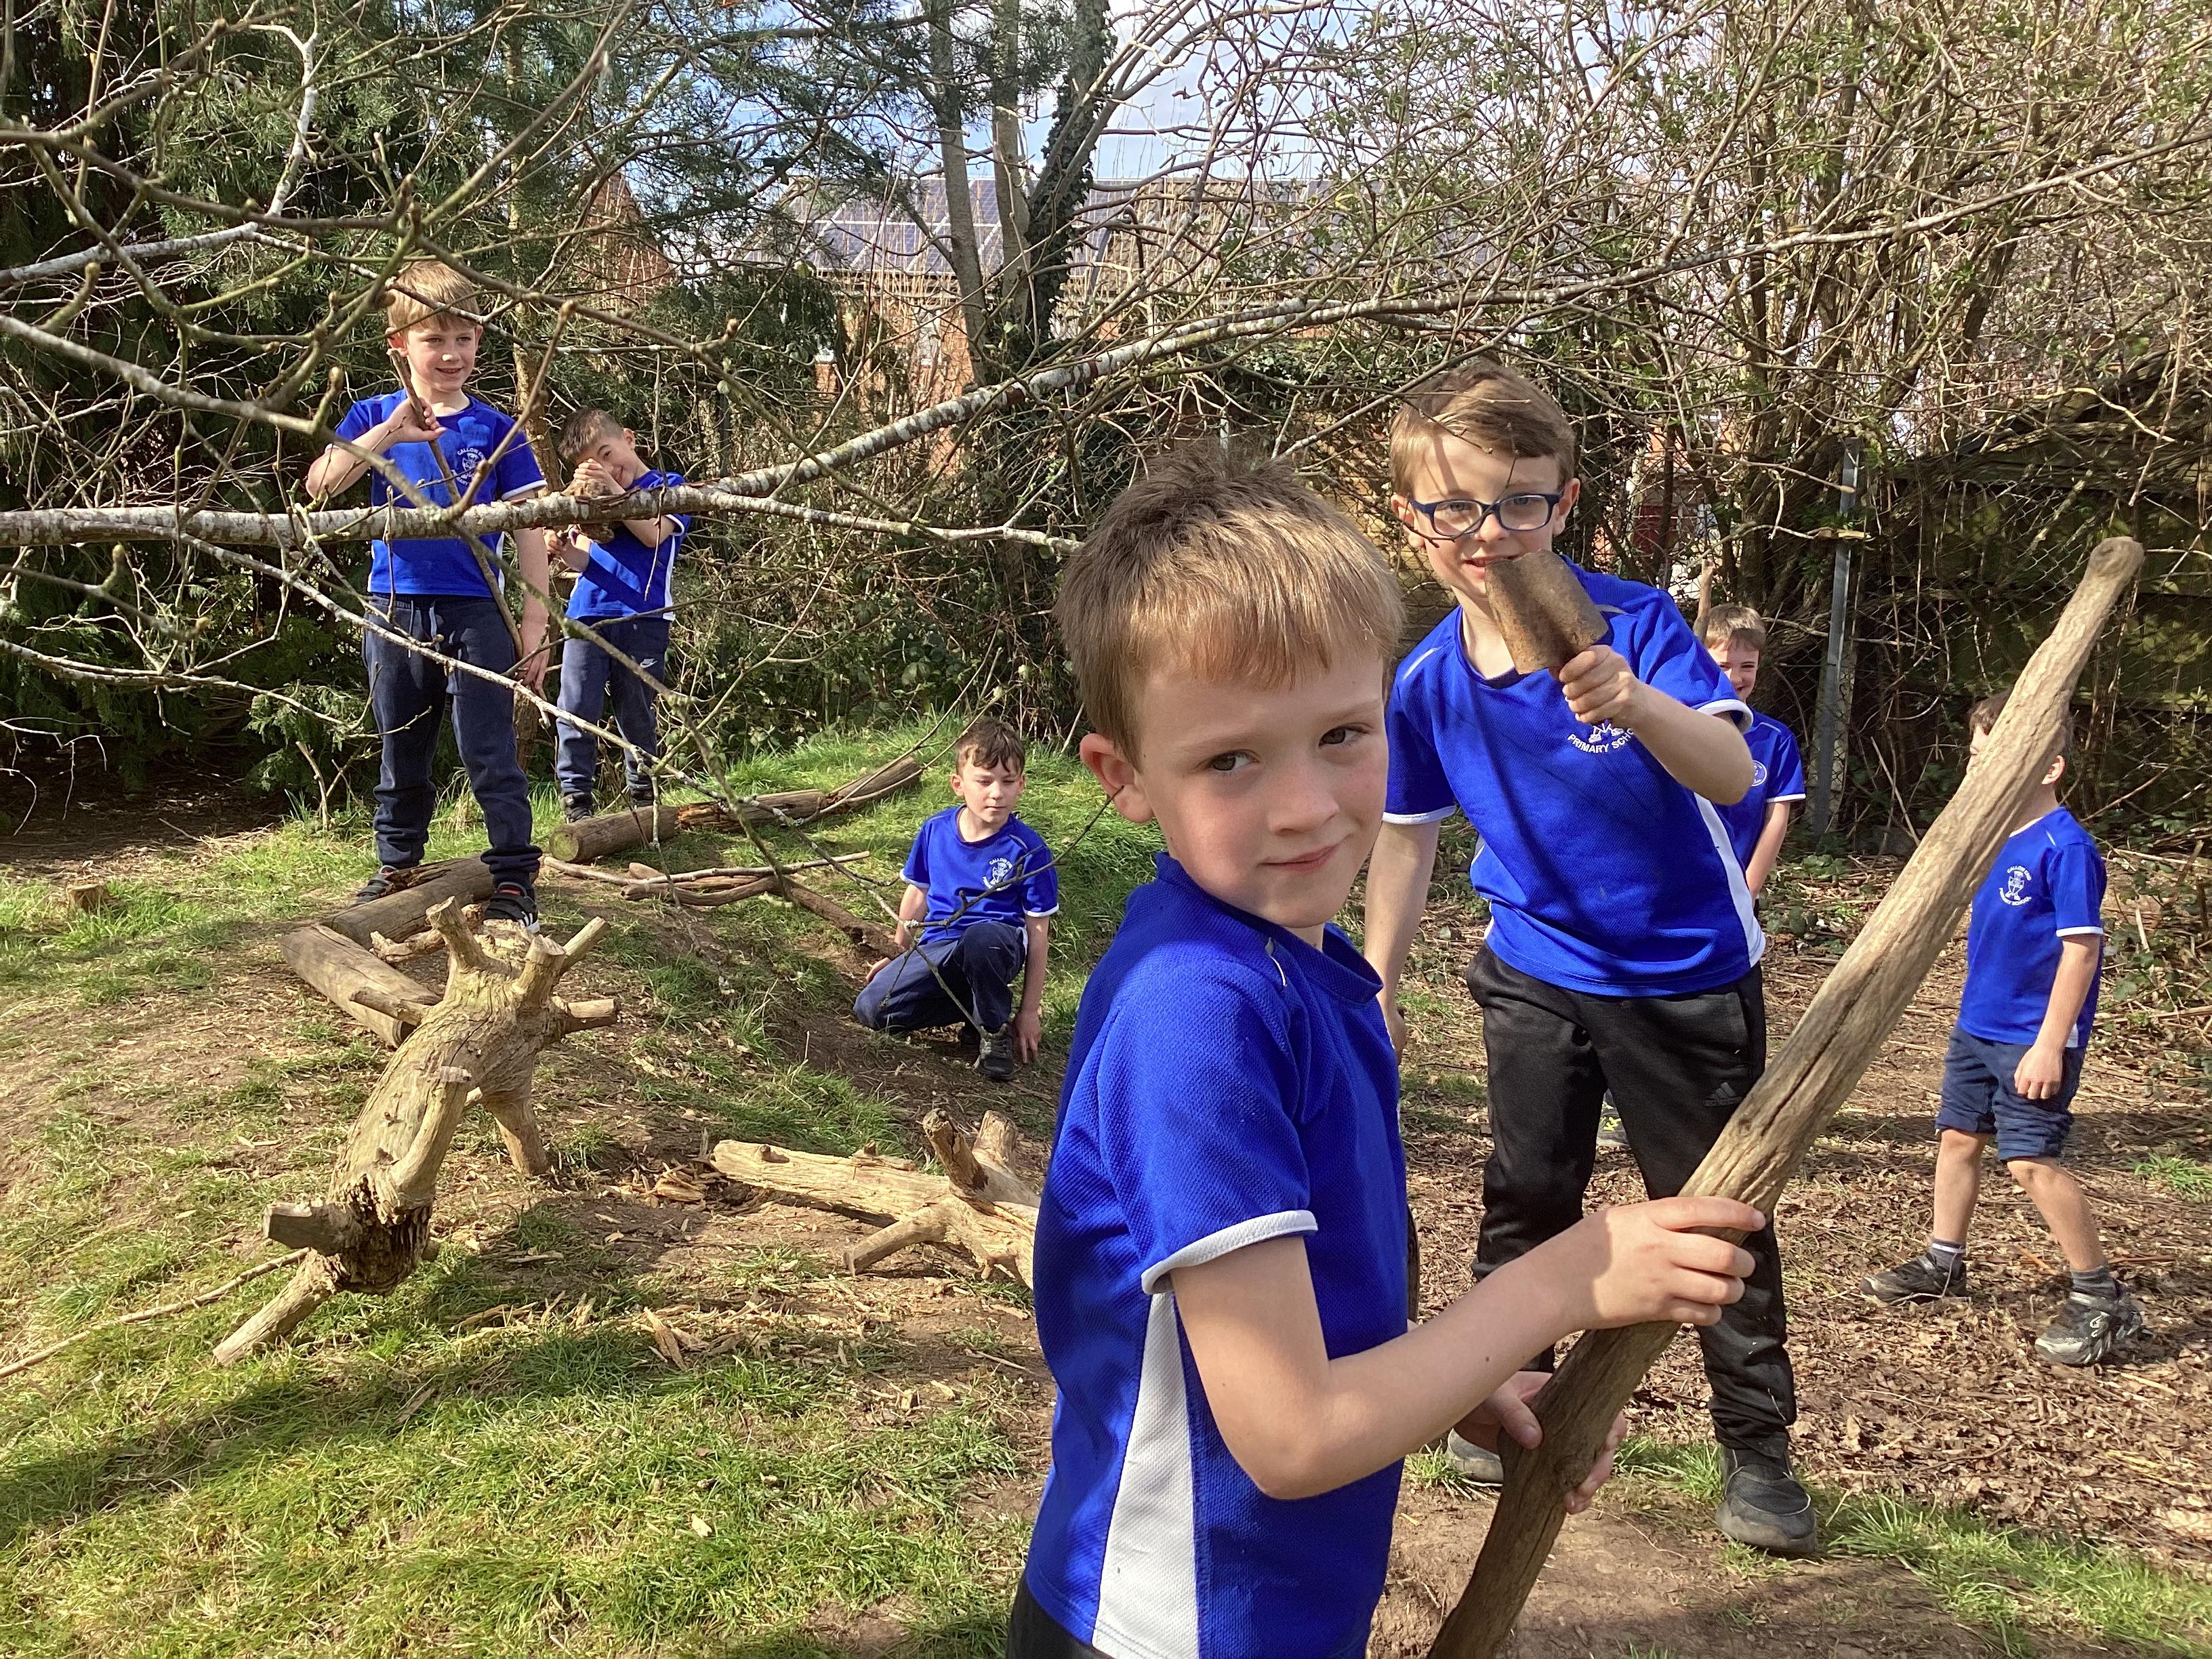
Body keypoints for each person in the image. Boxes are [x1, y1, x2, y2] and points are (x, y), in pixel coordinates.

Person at [1010, 441, 1763, 1659]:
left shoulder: (1301, 968)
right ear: (1123, 774)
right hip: (1176, 1625)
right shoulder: (1196, 1012)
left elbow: (1315, 1313)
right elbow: (1292, 1432)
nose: (1307, 806)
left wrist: (1456, 1379)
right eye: (1230, 759)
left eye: (1342, 735)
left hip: (1279, 1608)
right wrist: (1563, 1280)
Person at [1360, 362, 1818, 1556]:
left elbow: (1734, 774)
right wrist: (1379, 978)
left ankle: (1757, 1449)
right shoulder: (1426, 683)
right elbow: (1405, 836)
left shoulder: (1636, 626)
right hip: (1531, 969)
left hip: (1681, 974)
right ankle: (1504, 1400)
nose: (1488, 533)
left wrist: (1635, 703)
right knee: (1525, 1192)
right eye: (1454, 507)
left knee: (1711, 1214)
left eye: (1519, 502)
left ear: (1562, 503)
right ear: (1410, 519)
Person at [1862, 694, 2144, 1365]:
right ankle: (1943, 1262)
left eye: (1997, 757)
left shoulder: (2065, 848)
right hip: (1977, 1027)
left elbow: (2082, 952)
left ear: (2048, 767)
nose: (1979, 769)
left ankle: (2102, 1296)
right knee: (1958, 1139)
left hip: (2031, 1038)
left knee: (2028, 1161)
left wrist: (2049, 1044)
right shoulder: (1997, 839)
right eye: (1975, 756)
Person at [305, 260, 551, 928]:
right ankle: (398, 866)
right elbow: (322, 484)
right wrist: (392, 431)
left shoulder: (497, 430)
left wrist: (535, 623)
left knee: (489, 752)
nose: (451, 354)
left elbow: (530, 529)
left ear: (479, 340)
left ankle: (513, 880)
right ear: (400, 345)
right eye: (434, 339)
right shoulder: (372, 416)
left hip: (476, 612)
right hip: (394, 609)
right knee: (402, 747)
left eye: (463, 338)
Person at [853, 718, 1056, 1081]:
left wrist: (1029, 1011)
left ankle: (993, 1032)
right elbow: (917, 893)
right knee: (872, 1008)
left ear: (1021, 784)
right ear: (958, 785)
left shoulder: (1029, 850)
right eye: (984, 781)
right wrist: (897, 953)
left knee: (982, 938)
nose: (997, 793)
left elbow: (1038, 931)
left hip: (996, 945)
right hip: (939, 946)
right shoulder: (935, 831)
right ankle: (974, 1010)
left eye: (1008, 781)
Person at [549, 409, 690, 821]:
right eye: (594, 464)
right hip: (587, 615)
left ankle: (644, 798)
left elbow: (652, 534)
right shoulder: (594, 496)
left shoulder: (669, 486)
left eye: (608, 454)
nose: (609, 468)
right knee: (576, 707)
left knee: (637, 710)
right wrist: (564, 550)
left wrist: (611, 488)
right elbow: (586, 561)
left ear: (629, 438)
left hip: (645, 617)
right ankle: (576, 801)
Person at [1702, 604, 1805, 898]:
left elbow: (1776, 818)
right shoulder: (1676, 728)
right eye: (1723, 666)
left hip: (1738, 889)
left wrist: (1748, 890)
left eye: (1747, 666)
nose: (1735, 678)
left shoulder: (1776, 739)